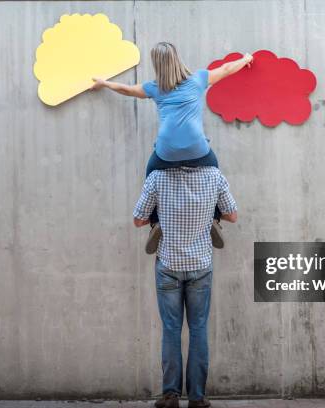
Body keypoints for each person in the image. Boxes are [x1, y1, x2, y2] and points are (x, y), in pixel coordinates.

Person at [91, 42, 251, 253]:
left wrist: (104, 83)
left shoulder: (154, 88)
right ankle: (213, 218)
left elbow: (127, 90)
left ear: (157, 64)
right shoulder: (199, 79)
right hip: (198, 150)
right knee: (214, 170)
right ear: (178, 58)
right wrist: (246, 59)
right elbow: (226, 69)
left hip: (166, 152)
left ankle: (156, 222)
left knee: (151, 175)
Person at [133, 165, 238, 408]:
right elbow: (232, 215)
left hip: (168, 264)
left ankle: (170, 396)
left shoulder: (157, 177)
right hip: (201, 265)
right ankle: (197, 398)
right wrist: (209, 214)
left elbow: (138, 220)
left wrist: (161, 215)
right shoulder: (214, 175)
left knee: (171, 330)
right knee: (198, 328)